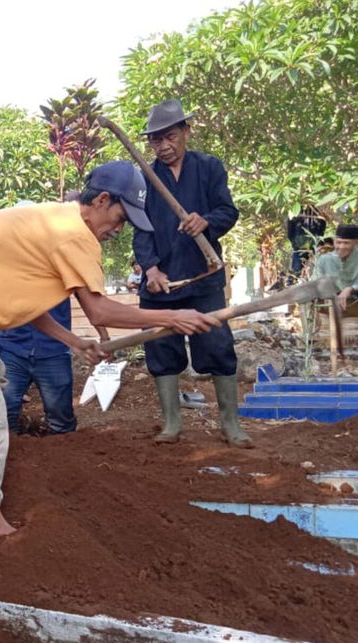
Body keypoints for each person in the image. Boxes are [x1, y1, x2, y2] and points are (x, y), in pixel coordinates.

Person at [0, 161, 219, 536]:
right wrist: (171, 317)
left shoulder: (58, 220)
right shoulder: (74, 235)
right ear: (102, 200)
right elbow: (99, 309)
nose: (118, 231)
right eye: (120, 219)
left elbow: (27, 303)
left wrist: (73, 341)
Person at [132, 98, 251, 448]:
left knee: (216, 345)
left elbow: (228, 211)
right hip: (161, 284)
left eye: (170, 136)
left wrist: (207, 221)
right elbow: (141, 229)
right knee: (161, 349)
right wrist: (150, 268)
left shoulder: (209, 168)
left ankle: (230, 424)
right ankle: (172, 423)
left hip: (204, 277)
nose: (164, 146)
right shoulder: (145, 178)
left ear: (186, 131)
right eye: (156, 140)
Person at [0, 299, 78, 434]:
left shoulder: (65, 277)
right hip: (12, 346)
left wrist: (104, 337)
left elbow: (88, 298)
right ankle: (11, 448)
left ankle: (63, 449)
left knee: (60, 412)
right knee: (5, 406)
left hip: (54, 348)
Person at [312, 224, 358, 357]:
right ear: (334, 241)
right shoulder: (324, 259)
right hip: (332, 305)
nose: (341, 247)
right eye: (338, 242)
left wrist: (352, 289)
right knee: (307, 295)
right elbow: (315, 284)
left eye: (346, 243)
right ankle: (311, 341)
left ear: (356, 243)